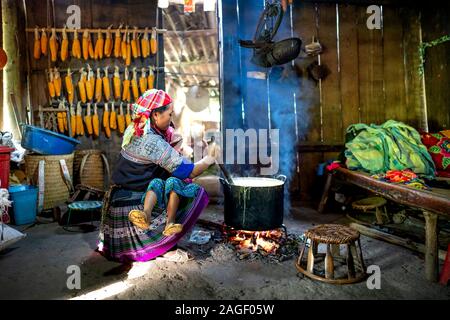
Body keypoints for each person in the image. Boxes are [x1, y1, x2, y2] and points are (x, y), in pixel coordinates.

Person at [111, 89, 220, 237]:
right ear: (156, 115)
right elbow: (190, 171)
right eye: (170, 114)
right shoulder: (153, 141)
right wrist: (210, 158)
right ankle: (167, 230)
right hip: (138, 187)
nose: (172, 117)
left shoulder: (136, 129)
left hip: (126, 184)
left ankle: (162, 223)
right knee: (191, 188)